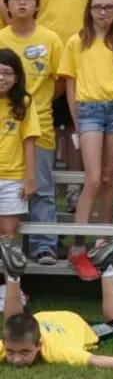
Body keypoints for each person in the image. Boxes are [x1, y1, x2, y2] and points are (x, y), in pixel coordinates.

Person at [59, 0, 113, 281]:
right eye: (98, 7)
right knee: (92, 178)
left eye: (109, 7)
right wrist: (78, 120)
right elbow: (70, 83)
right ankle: (78, 245)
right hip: (88, 109)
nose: (103, 13)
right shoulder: (76, 42)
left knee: (109, 178)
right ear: (89, 10)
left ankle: (102, 242)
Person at [1, 250, 113, 375]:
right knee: (15, 321)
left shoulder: (59, 351)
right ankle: (14, 276)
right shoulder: (9, 342)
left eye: (24, 352)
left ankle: (107, 267)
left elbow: (96, 360)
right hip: (40, 320)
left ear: (39, 345)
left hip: (75, 323)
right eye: (10, 352)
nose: (16, 360)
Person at [0, 0, 63, 263]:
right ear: (7, 5)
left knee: (41, 189)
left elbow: (59, 81)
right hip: (5, 131)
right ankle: (10, 252)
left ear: (37, 5)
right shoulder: (1, 39)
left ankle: (44, 246)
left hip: (41, 127)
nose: (22, 3)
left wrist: (36, 104)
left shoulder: (50, 39)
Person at [0, 49, 40, 273]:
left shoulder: (24, 102)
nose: (2, 78)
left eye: (7, 73)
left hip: (12, 178)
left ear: (16, 77)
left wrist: (30, 178)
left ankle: (11, 286)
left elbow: (29, 140)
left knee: (9, 235)